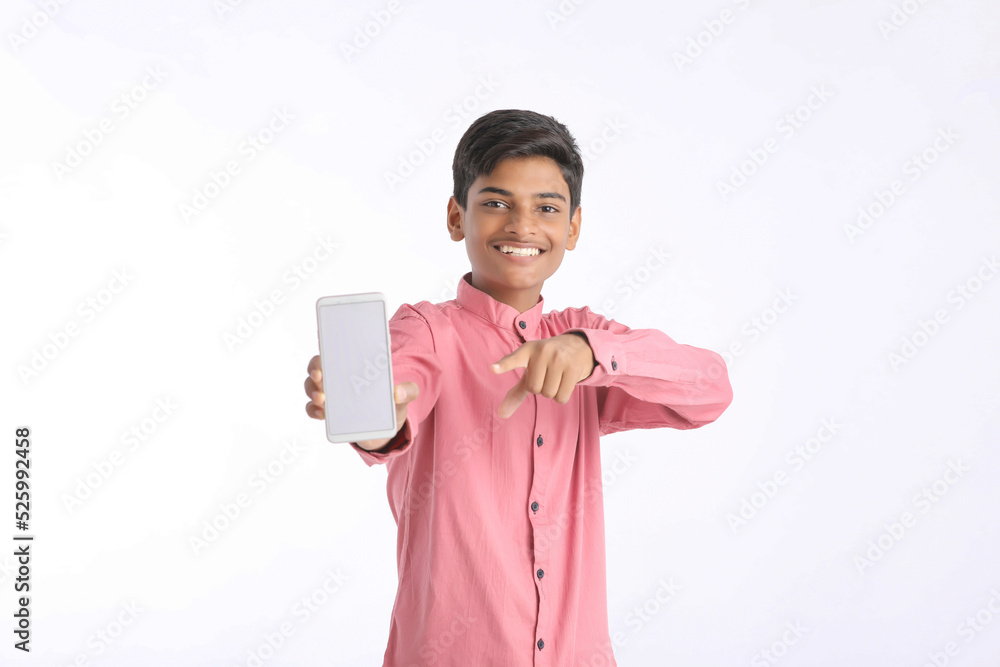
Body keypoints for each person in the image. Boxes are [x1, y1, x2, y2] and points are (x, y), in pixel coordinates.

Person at [304, 109, 733, 666]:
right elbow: (396, 390)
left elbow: (710, 386)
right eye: (496, 202)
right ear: (457, 216)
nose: (522, 225)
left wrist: (592, 352)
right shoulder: (428, 331)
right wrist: (379, 409)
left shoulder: (583, 338)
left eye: (547, 208)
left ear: (573, 228)